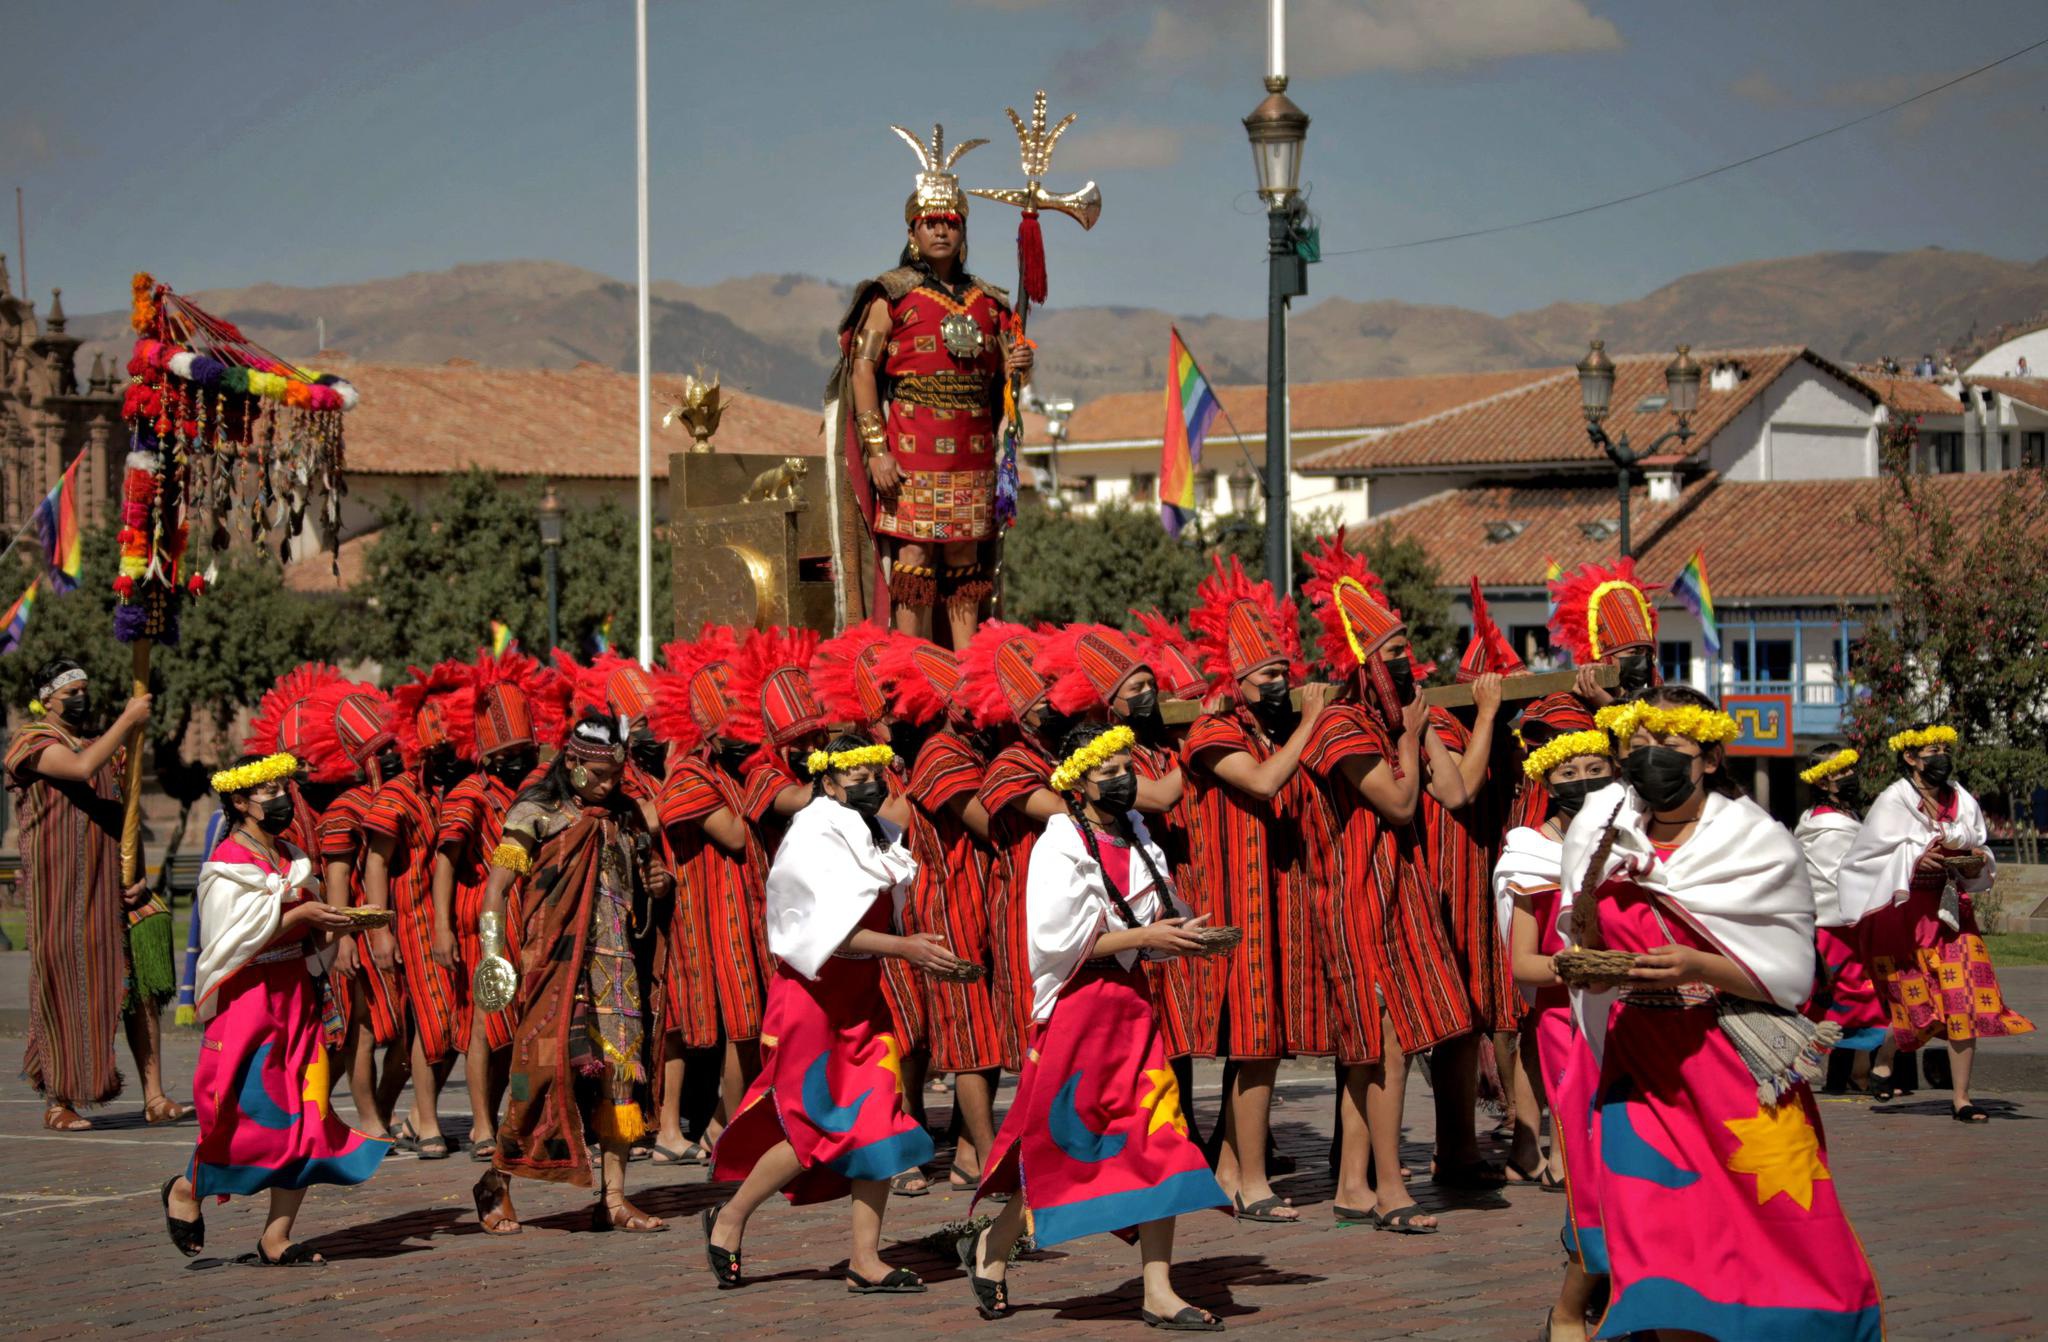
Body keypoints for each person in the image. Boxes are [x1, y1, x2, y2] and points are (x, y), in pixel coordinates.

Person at [1563, 686, 1881, 1339]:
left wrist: (1700, 966)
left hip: (1734, 1069)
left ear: (1708, 757)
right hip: (1639, 1074)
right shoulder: (1601, 832)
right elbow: (1584, 939)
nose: (1653, 760)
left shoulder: (1755, 841)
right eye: (1641, 746)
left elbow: (1793, 980)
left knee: (1781, 1242)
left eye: (1672, 748)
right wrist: (1591, 954)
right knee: (1657, 1252)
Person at [962, 721, 1230, 1330]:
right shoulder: (1058, 844)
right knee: (1066, 1143)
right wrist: (1146, 935)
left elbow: (1150, 924)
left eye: (1126, 767)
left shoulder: (1138, 836)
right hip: (1079, 1014)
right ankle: (992, 1247)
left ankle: (1159, 1289)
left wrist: (1182, 937)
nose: (1122, 779)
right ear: (1076, 783)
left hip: (1132, 1011)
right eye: (1107, 771)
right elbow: (1054, 944)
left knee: (1162, 1138)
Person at [705, 733, 952, 1293]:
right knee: (817, 1128)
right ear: (828, 780)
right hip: (812, 1002)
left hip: (862, 998)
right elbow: (821, 933)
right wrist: (905, 948)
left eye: (875, 772)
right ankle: (731, 1217)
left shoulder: (875, 830)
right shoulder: (812, 835)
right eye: (855, 775)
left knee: (877, 1121)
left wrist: (913, 948)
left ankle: (865, 1260)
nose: (869, 783)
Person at [1295, 542, 1476, 1231]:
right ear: (1360, 662)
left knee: (1373, 1045)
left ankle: (1350, 1185)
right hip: (1353, 895)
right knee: (1389, 1042)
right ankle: (1392, 1189)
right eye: (1391, 651)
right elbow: (1399, 805)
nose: (1405, 661)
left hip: (1400, 892)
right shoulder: (1342, 724)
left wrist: (1420, 731)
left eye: (1408, 648)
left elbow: (1452, 794)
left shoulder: (1391, 717)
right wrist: (1408, 736)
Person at [159, 753, 388, 1265]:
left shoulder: (291, 856)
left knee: (308, 1114)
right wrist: (297, 914)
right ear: (240, 801)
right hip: (249, 1005)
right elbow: (230, 943)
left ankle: (276, 1237)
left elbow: (307, 926)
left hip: (296, 999)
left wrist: (336, 924)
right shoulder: (226, 867)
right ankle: (186, 1188)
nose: (283, 798)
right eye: (269, 791)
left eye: (285, 786)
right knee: (246, 1116)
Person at [1183, 556, 1348, 1224]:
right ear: (1239, 682)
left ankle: (1229, 1168)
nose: (1285, 685)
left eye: (1287, 673)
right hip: (1235, 907)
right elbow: (1261, 783)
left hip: (1277, 906)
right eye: (1269, 676)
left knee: (1266, 1046)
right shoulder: (1214, 730)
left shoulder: (1262, 728)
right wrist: (1310, 722)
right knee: (1252, 1047)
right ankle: (1251, 1180)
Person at [830, 120, 1033, 644]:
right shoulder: (890, 296)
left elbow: (1003, 393)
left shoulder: (991, 302)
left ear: (963, 231)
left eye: (951, 222)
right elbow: (861, 371)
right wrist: (877, 450)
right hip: (911, 449)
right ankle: (912, 669)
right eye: (930, 222)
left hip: (972, 451)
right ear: (912, 232)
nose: (941, 230)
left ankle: (969, 672)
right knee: (915, 555)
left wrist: (1019, 375)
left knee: (966, 556)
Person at [471, 713, 673, 1235]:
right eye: (599, 775)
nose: (610, 785)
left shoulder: (627, 815)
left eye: (616, 776)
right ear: (573, 761)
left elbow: (638, 888)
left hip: (616, 961)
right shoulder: (536, 810)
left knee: (621, 1076)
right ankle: (497, 1178)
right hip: (553, 961)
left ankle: (614, 1198)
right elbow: (497, 889)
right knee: (540, 1071)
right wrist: (494, 955)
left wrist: (657, 883)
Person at [6, 658, 190, 1131]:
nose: (81, 699)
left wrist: (138, 870)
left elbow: (125, 811)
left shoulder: (105, 750)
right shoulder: (31, 742)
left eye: (85, 690)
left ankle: (154, 1095)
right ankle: (58, 1099)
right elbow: (81, 766)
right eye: (72, 692)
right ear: (48, 698)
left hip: (112, 886)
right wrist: (129, 721)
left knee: (141, 989)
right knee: (63, 987)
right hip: (61, 890)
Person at [1837, 724, 2034, 1119]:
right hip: (1906, 917)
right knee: (1922, 1004)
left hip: (1953, 913)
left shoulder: (1960, 797)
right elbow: (1864, 859)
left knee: (1963, 998)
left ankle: (1961, 1098)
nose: (1940, 756)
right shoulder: (1894, 800)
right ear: (1911, 758)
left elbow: (1978, 842)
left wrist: (1976, 860)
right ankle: (1888, 1051)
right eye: (1932, 750)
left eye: (1945, 748)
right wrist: (1912, 859)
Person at [875, 631, 1008, 1189]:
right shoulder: (939, 753)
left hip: (984, 899)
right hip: (949, 906)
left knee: (988, 1037)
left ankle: (968, 1159)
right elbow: (984, 819)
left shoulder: (976, 748)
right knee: (968, 1039)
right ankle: (983, 1152)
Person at [1496, 716, 1613, 1342]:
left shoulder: (1634, 843)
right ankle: (1578, 1299)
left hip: (1634, 1019)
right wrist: (1586, 967)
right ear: (1546, 782)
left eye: (1597, 769)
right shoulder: (1529, 854)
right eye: (1569, 773)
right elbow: (1524, 965)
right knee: (1593, 1163)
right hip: (1566, 1023)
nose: (1585, 781)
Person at [431, 650, 563, 1161]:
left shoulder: (538, 787)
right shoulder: (469, 792)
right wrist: (442, 930)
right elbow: (445, 861)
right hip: (483, 920)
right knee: (485, 1026)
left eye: (525, 748)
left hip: (531, 921)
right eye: (508, 751)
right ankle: (483, 1126)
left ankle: (521, 1119)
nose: (519, 758)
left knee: (528, 1027)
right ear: (485, 756)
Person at [652, 626, 772, 1165]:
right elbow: (736, 835)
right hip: (707, 921)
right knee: (736, 1029)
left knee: (748, 1028)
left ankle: (723, 1127)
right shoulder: (689, 776)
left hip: (743, 915)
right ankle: (722, 1130)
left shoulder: (725, 772)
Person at [1420, 576, 1520, 1189]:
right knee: (1427, 1029)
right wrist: (1486, 714)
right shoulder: (1436, 719)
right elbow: (1464, 786)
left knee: (1467, 1024)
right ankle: (1435, 1153)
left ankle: (1457, 1148)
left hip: (1473, 886)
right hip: (1434, 884)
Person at [366, 662, 471, 1159]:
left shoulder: (463, 791)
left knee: (448, 1028)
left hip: (456, 921)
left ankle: (402, 1117)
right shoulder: (398, 795)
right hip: (412, 923)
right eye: (442, 750)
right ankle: (425, 1120)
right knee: (429, 1026)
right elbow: (376, 862)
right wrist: (379, 930)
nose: (451, 757)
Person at [303, 679, 411, 1140]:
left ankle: (383, 1110)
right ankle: (369, 1120)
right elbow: (336, 879)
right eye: (378, 750)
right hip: (362, 933)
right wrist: (345, 937)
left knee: (410, 1034)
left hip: (405, 927)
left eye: (393, 747)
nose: (389, 757)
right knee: (362, 1032)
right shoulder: (345, 809)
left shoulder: (406, 794)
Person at [959, 620, 1066, 1072]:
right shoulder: (1009, 764)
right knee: (1033, 1032)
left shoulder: (1057, 752)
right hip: (1024, 900)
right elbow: (1067, 810)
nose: (1053, 708)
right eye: (1042, 703)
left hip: (1070, 902)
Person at [1792, 744, 1890, 1070]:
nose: (1850, 777)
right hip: (1834, 926)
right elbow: (1833, 879)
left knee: (1854, 997)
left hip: (1850, 924)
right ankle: (1832, 1068)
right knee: (1844, 997)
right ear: (1822, 782)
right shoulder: (1825, 825)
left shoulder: (1846, 816)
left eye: (1850, 770)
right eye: (1841, 772)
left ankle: (1852, 1073)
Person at [1547, 559, 1660, 711]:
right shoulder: (1569, 708)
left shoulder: (1660, 701)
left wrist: (1606, 704)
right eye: (1633, 652)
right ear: (1603, 657)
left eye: (1644, 652)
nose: (1641, 661)